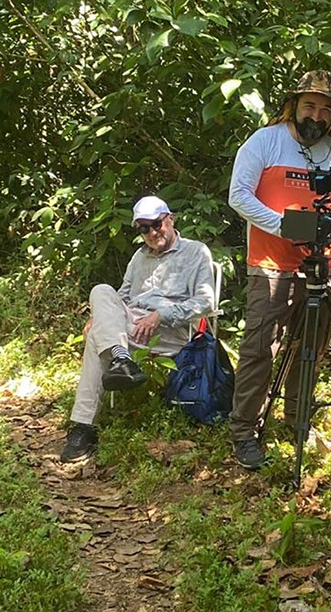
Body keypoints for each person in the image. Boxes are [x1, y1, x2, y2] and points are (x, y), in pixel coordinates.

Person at [226, 70, 331, 470]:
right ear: (294, 106)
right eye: (310, 105)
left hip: (322, 269)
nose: (317, 115)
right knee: (259, 350)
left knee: (311, 349)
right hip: (272, 266)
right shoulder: (265, 142)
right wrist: (285, 225)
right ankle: (244, 431)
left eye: (325, 108)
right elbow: (239, 196)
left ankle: (296, 418)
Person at [60, 195, 216, 462]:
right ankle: (122, 358)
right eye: (144, 228)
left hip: (172, 331)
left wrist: (161, 314)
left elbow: (205, 301)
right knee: (101, 291)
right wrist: (99, 315)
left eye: (157, 224)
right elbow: (121, 296)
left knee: (98, 338)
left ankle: (83, 427)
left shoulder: (195, 252)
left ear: (170, 219)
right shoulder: (138, 257)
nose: (152, 232)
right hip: (129, 328)